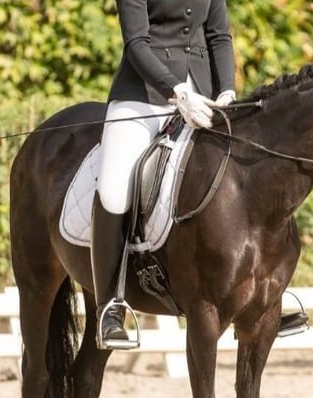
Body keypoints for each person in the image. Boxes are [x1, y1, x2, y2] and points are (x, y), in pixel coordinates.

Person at [92, 0, 236, 345]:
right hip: (143, 96)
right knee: (113, 188)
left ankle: (269, 289)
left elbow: (219, 36)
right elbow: (136, 43)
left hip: (203, 99)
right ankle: (109, 305)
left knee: (247, 167)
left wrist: (227, 89)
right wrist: (176, 89)